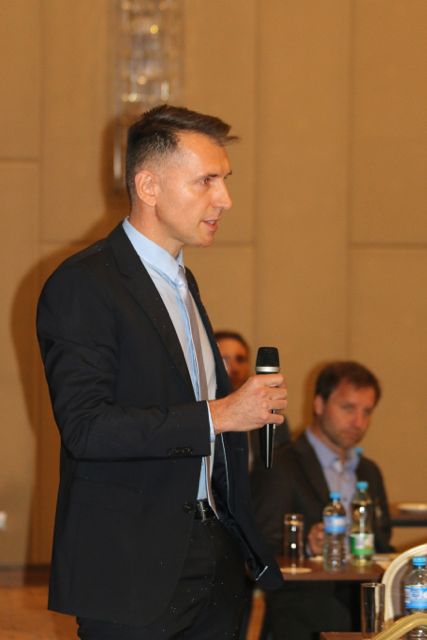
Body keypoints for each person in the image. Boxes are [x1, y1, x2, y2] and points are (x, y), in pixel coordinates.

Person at [36, 105, 288, 640]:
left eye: (225, 180)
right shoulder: (85, 284)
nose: (225, 199)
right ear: (149, 186)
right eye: (207, 181)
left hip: (215, 558)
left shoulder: (182, 283)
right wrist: (219, 415)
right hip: (131, 570)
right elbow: (86, 428)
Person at [251, 360, 393, 640]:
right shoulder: (281, 465)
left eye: (367, 411)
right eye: (348, 408)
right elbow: (259, 545)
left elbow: (381, 540)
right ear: (318, 404)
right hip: (305, 608)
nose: (359, 422)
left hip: (366, 605)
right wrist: (305, 543)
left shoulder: (369, 471)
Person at [215, 330, 291, 469]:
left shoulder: (273, 419)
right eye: (224, 359)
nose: (235, 367)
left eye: (240, 359)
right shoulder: (206, 416)